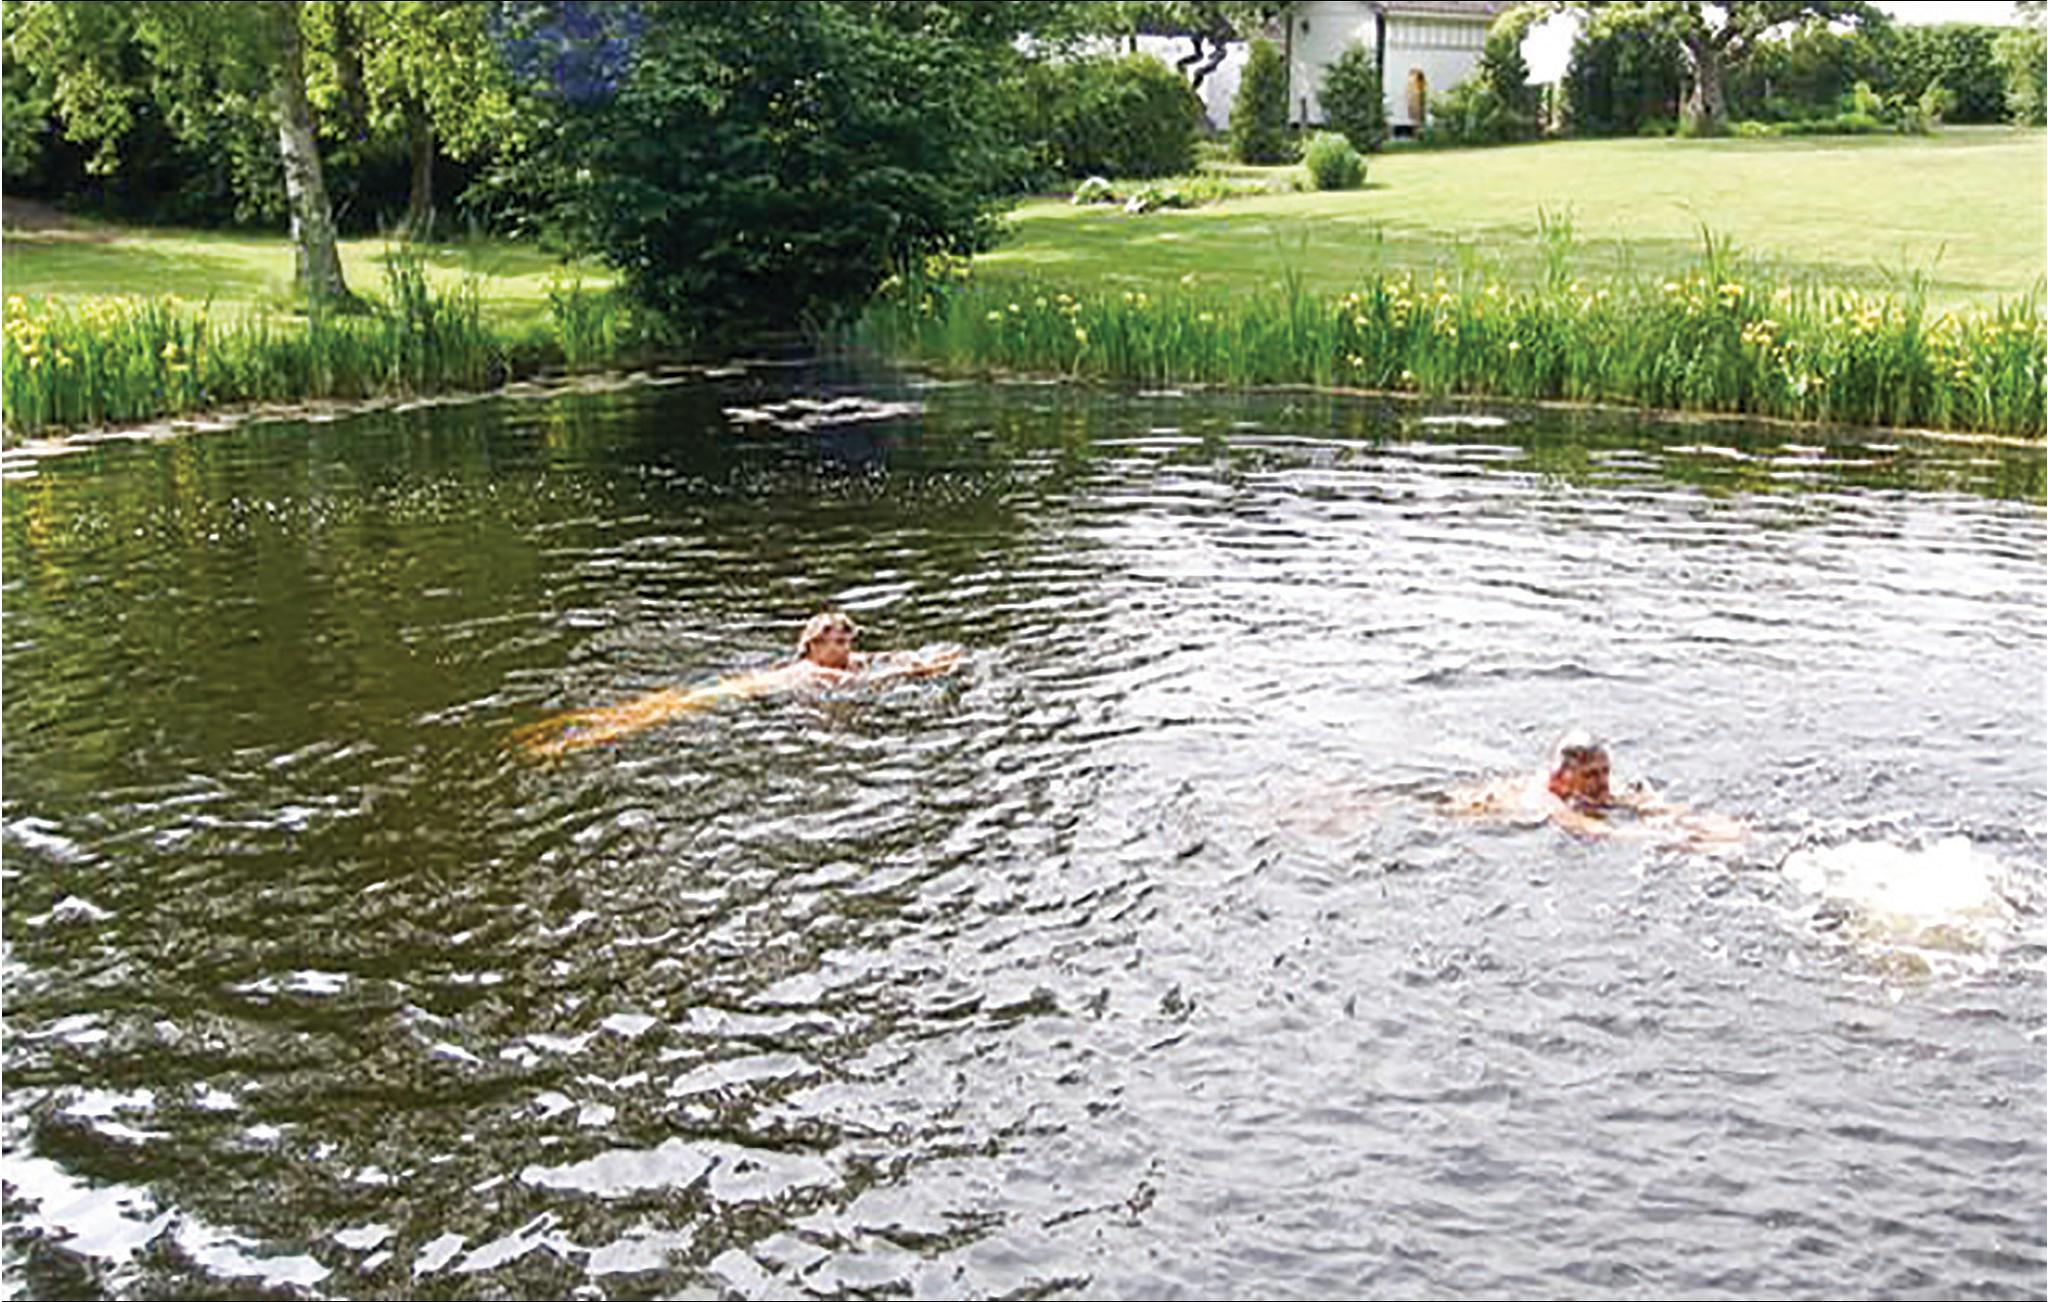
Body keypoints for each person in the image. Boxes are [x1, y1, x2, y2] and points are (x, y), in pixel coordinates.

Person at [511, 610, 962, 759]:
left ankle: (566, 730)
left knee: (653, 708)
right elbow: (875, 677)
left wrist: (918, 657)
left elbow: (879, 660)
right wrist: (921, 671)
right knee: (646, 717)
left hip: (733, 685)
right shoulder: (816, 672)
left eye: (849, 640)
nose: (847, 647)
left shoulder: (840, 661)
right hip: (731, 691)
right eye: (838, 641)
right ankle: (564, 742)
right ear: (814, 646)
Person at [1450, 731, 1745, 848]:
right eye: (1590, 775)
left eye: (1605, 772)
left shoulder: (1600, 789)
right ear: (1560, 779)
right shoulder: (1545, 799)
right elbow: (1593, 830)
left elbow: (1649, 804)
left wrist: (1706, 824)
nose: (1602, 782)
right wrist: (1678, 841)